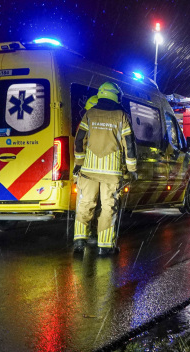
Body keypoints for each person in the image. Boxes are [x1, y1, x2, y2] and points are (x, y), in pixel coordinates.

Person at [73, 82, 137, 255]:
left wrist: (79, 164)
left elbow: (79, 140)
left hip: (89, 171)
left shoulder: (90, 114)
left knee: (85, 204)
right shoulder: (121, 116)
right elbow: (129, 144)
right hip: (111, 173)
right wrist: (131, 168)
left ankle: (79, 240)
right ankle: (105, 247)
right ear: (115, 96)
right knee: (109, 207)